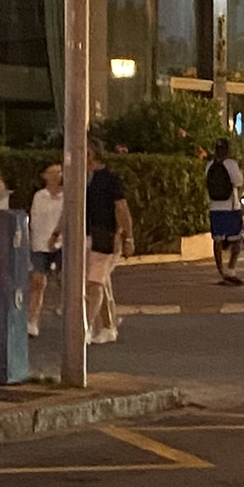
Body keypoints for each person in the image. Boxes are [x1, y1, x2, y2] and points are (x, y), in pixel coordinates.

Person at [85, 140, 133, 344]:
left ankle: (86, 328)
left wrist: (126, 236)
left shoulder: (109, 179)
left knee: (94, 283)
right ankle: (107, 326)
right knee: (101, 282)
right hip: (84, 236)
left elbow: (121, 208)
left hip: (104, 236)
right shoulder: (79, 178)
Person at [26, 160, 66, 337]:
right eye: (52, 173)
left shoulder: (67, 196)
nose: (56, 176)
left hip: (62, 243)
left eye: (59, 172)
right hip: (40, 244)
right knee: (37, 282)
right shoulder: (39, 196)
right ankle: (32, 320)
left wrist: (56, 235)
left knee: (65, 281)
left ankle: (71, 315)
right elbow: (34, 221)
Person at [204, 136, 244, 282]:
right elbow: (238, 182)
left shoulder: (209, 165)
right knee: (237, 239)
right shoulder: (231, 164)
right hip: (231, 207)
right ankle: (231, 269)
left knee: (217, 240)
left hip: (215, 207)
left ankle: (221, 272)